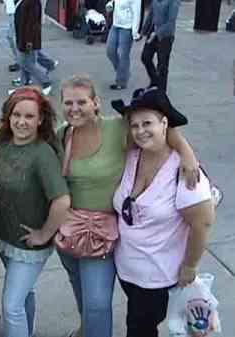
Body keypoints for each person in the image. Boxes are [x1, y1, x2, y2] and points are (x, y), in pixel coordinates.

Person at [56, 75, 200, 337]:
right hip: (69, 231)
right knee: (81, 291)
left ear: (96, 102)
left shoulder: (117, 128)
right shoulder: (62, 134)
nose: (74, 108)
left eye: (81, 102)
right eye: (68, 103)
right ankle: (85, 328)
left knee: (98, 303)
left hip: (102, 235)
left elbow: (156, 125)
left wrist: (187, 153)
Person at [111, 86, 214, 337]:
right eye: (134, 125)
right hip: (126, 269)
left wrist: (190, 266)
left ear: (165, 123)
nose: (140, 131)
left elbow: (203, 224)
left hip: (158, 275)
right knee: (139, 321)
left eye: (147, 123)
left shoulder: (186, 172)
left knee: (140, 328)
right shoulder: (133, 154)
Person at [0, 86, 70, 337]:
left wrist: (44, 234)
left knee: (11, 306)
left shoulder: (42, 154)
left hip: (29, 247)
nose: (21, 122)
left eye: (29, 117)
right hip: (4, 238)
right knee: (24, 294)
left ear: (40, 120)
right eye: (16, 115)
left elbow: (62, 200)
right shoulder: (2, 142)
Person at [12, 0, 54, 95]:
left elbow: (32, 23)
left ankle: (45, 81)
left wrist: (29, 41)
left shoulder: (32, 2)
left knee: (26, 63)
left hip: (28, 38)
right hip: (22, 36)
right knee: (24, 63)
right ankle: (24, 85)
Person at [140, 0, 180, 92]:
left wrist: (156, 33)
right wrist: (143, 32)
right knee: (145, 57)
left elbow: (170, 23)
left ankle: (161, 91)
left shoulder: (173, 2)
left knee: (162, 65)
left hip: (166, 36)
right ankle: (155, 81)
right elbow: (150, 16)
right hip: (153, 32)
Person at [106, 0, 142, 90]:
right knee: (110, 51)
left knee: (123, 55)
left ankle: (121, 81)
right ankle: (124, 72)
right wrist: (110, 4)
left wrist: (135, 32)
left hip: (127, 28)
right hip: (115, 25)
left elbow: (137, 14)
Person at [3, 0, 20, 72]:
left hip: (15, 12)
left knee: (13, 37)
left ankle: (19, 62)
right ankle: (48, 62)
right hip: (12, 11)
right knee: (11, 37)